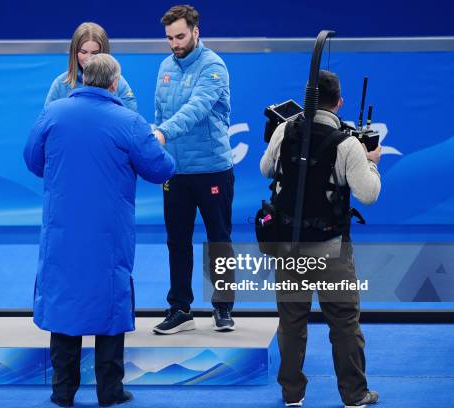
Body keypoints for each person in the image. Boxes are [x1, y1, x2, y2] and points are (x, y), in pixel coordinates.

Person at [24, 54, 175, 407]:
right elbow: (161, 169)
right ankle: (110, 391)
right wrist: (160, 142)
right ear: (114, 84)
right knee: (110, 305)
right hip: (108, 233)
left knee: (64, 303)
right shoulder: (130, 121)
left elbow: (32, 159)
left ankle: (62, 392)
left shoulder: (54, 112)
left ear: (84, 79)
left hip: (62, 228)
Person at [260, 70, 381, 407]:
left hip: (289, 245)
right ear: (339, 102)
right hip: (332, 251)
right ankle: (354, 395)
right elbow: (368, 194)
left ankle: (291, 395)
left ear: (308, 98)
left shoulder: (285, 129)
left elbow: (265, 169)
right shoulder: (349, 144)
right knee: (344, 323)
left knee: (291, 322)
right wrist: (371, 162)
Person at [152, 4, 236, 335]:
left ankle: (223, 306)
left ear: (196, 32)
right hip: (176, 172)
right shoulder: (164, 67)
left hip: (212, 169)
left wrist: (162, 133)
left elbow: (196, 109)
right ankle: (180, 308)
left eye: (180, 36)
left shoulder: (213, 66)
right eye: (170, 38)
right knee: (177, 241)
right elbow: (159, 112)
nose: (175, 43)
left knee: (219, 238)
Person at [44, 22, 137, 111]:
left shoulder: (118, 82)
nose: (89, 59)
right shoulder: (60, 84)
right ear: (74, 52)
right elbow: (47, 122)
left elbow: (130, 122)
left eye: (95, 53)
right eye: (83, 52)